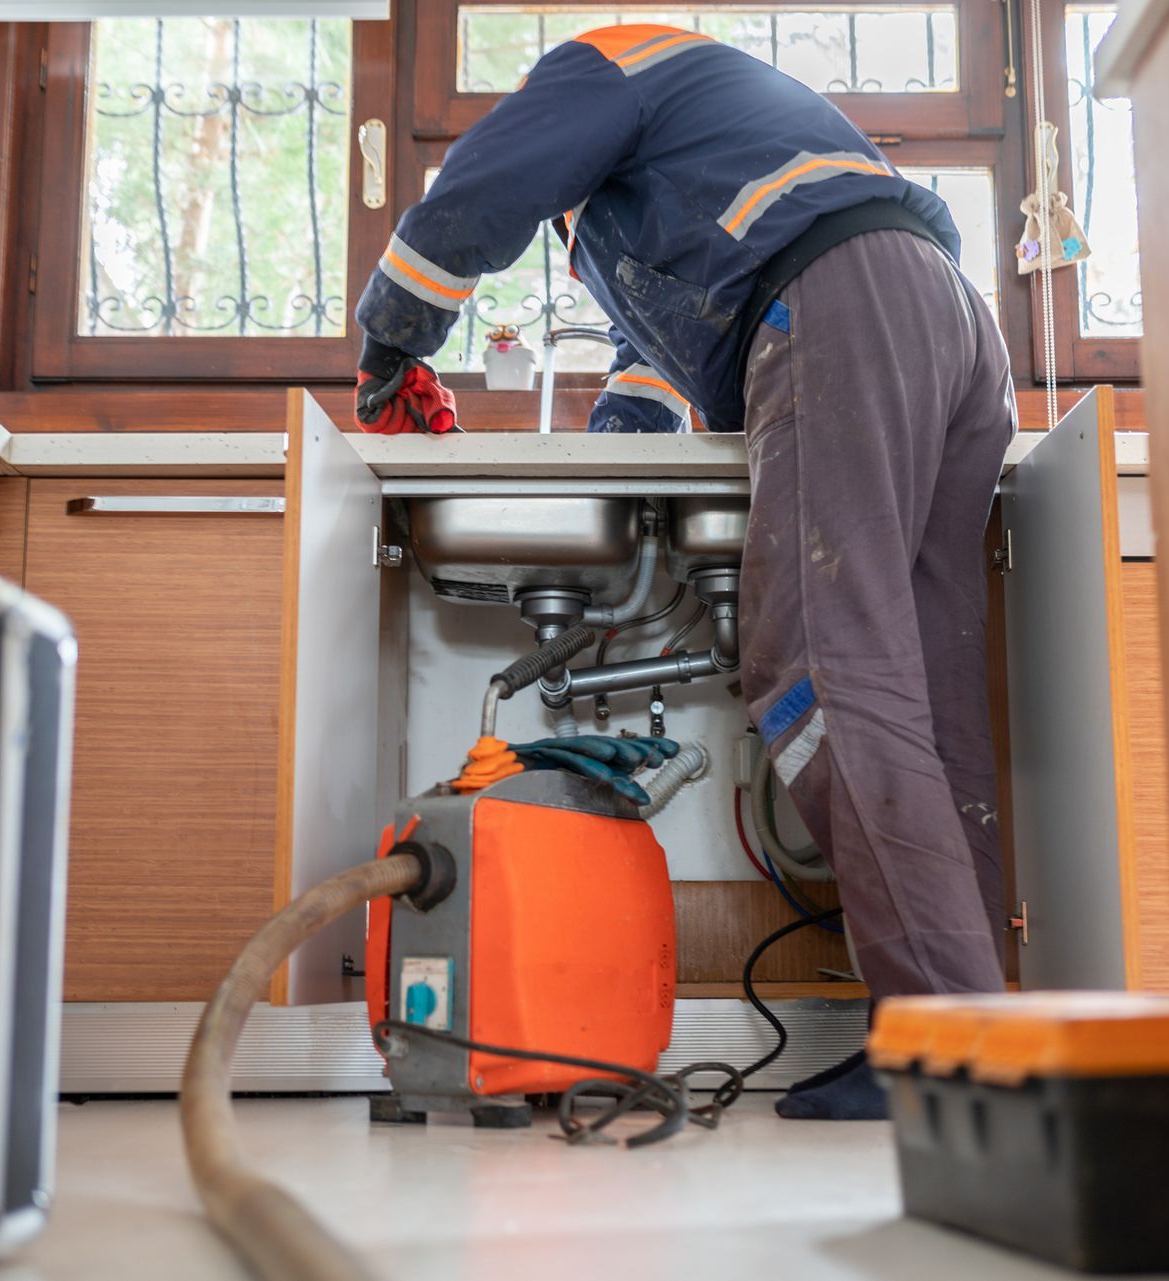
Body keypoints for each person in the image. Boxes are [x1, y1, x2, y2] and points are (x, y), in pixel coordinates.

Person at [352, 24, 1017, 1119]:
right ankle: (984, 1042)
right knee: (927, 704)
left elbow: (482, 184)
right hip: (942, 319)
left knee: (826, 671)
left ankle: (938, 1054)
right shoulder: (686, 175)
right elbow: (647, 386)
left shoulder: (597, 65)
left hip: (840, 305)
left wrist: (393, 340)